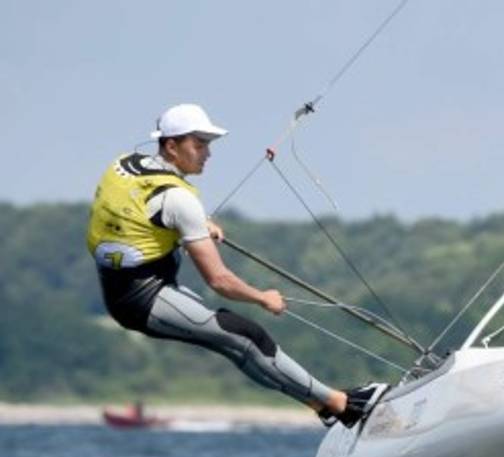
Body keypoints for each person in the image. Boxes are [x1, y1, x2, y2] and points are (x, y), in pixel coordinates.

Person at [86, 103, 385, 427]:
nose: (207, 154)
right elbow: (219, 281)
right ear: (171, 145)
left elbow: (136, 215)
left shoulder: (124, 165)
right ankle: (343, 405)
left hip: (123, 291)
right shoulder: (179, 200)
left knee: (236, 344)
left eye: (208, 145)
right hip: (146, 299)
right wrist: (262, 297)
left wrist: (194, 224)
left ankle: (326, 406)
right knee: (246, 336)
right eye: (198, 145)